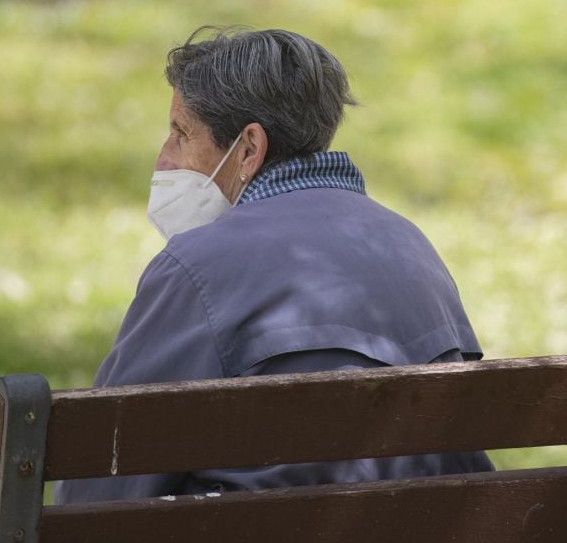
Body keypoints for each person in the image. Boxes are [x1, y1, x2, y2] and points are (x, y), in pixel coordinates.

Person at [56, 26, 492, 503]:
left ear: (248, 149)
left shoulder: (197, 267)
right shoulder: (409, 244)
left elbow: (101, 486)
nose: (163, 160)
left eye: (181, 133)